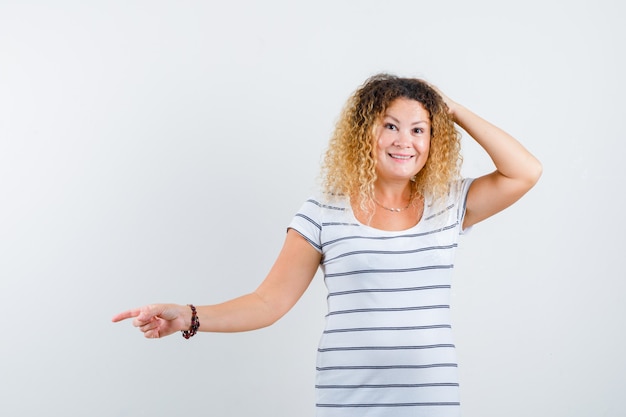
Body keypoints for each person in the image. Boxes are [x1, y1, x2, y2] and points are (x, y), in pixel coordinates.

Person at [112, 73, 542, 416]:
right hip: (349, 399)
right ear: (365, 133)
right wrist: (189, 315)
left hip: (431, 399)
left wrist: (452, 109)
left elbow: (525, 171)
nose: (404, 141)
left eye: (419, 129)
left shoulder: (449, 205)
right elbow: (268, 302)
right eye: (390, 126)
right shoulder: (323, 211)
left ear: (433, 141)